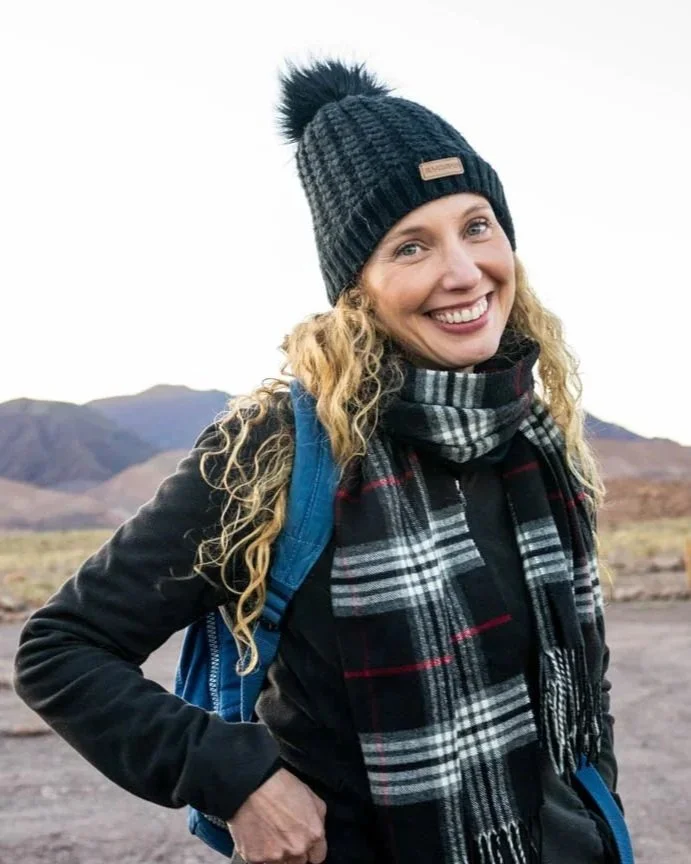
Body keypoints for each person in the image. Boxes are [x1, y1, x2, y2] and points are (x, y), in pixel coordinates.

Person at [13, 58, 623, 864]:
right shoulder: (281, 447)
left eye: (477, 226)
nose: (462, 272)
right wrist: (231, 775)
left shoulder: (533, 438)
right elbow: (60, 650)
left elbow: (583, 694)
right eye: (411, 246)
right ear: (357, 287)